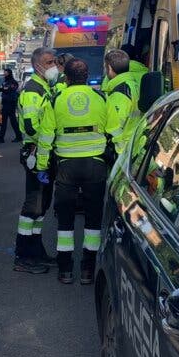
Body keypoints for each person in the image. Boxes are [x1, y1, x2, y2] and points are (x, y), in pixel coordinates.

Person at [36, 57, 110, 285]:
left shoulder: (56, 98)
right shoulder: (101, 97)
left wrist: (41, 166)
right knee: (93, 219)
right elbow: (114, 131)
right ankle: (88, 269)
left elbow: (46, 135)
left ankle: (65, 269)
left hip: (66, 166)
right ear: (87, 77)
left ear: (65, 78)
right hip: (96, 165)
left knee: (65, 220)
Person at [13, 47, 60, 274]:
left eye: (54, 62)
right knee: (33, 206)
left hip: (44, 152)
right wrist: (51, 135)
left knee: (42, 206)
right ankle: (23, 256)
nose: (54, 66)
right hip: (35, 152)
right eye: (49, 62)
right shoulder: (33, 90)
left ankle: (36, 251)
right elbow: (32, 126)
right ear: (37, 66)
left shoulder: (44, 88)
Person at [103, 49, 141, 157]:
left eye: (106, 67)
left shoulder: (120, 93)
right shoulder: (133, 85)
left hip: (121, 151)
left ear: (109, 68)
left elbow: (114, 126)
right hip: (132, 145)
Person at [0, 68, 20, 143]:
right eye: (4, 73)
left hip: (11, 104)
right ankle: (1, 138)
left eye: (6, 73)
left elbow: (10, 89)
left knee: (12, 122)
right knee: (5, 122)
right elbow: (3, 89)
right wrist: (2, 89)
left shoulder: (13, 82)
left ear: (9, 73)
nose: (4, 74)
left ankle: (18, 137)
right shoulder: (5, 82)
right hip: (5, 103)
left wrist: (3, 89)